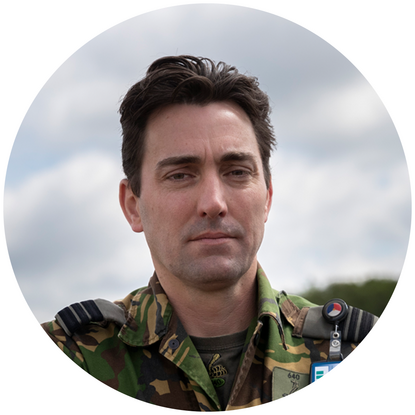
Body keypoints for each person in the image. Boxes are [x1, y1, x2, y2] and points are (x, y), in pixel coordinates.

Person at [42, 55, 378, 411]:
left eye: (237, 172)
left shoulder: (354, 351)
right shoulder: (68, 359)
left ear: (267, 198)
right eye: (180, 175)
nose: (213, 203)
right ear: (132, 206)